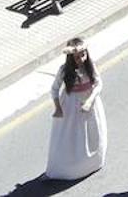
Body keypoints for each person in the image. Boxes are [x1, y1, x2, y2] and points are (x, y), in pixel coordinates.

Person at [45, 37, 106, 180]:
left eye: (83, 55)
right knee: (71, 137)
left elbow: (98, 83)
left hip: (90, 105)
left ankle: (91, 163)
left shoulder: (90, 66)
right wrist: (58, 107)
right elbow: (54, 89)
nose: (81, 59)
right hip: (71, 106)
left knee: (91, 132)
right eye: (77, 57)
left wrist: (90, 101)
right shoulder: (64, 70)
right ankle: (68, 168)